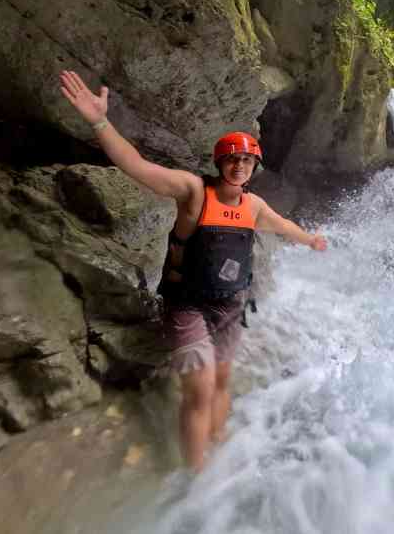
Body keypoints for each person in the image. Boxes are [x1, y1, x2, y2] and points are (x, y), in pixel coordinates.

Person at [59, 70, 327, 471]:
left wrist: (310, 240)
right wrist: (99, 120)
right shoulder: (193, 191)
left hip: (231, 305)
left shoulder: (253, 207)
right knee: (200, 390)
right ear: (221, 163)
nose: (239, 166)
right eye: (232, 159)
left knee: (220, 382)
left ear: (255, 165)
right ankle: (197, 479)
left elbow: (284, 226)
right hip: (187, 304)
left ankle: (217, 450)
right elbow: (137, 166)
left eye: (247, 160)